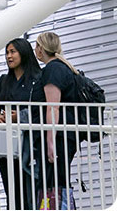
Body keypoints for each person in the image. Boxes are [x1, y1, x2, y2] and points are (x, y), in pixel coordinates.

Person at [0, 38, 42, 210]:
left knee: (31, 189)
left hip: (31, 142)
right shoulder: (3, 80)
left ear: (24, 52)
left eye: (13, 52)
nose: (9, 56)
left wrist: (18, 117)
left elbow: (41, 110)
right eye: (7, 52)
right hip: (7, 142)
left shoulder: (38, 79)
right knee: (11, 191)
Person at [34, 32, 81, 209]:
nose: (35, 50)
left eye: (37, 46)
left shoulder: (53, 70)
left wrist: (50, 141)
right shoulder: (65, 68)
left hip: (58, 136)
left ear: (41, 48)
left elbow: (53, 106)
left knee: (54, 179)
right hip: (65, 134)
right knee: (58, 178)